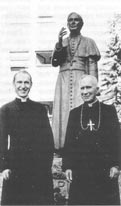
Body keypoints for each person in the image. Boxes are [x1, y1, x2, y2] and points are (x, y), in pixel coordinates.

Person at [63, 74, 121, 205]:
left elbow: (117, 140)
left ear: (97, 89)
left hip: (104, 171)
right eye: (82, 88)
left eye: (88, 88)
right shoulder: (74, 113)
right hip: (81, 171)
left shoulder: (109, 111)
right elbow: (69, 142)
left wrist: (116, 165)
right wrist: (67, 167)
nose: (85, 92)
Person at [0, 70, 54, 205]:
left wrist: (46, 166)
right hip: (15, 167)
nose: (23, 86)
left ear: (31, 85)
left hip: (38, 168)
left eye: (26, 82)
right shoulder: (5, 110)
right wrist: (4, 166)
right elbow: (1, 140)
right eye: (19, 82)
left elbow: (48, 140)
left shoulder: (40, 109)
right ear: (13, 84)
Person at [52, 12, 101, 149]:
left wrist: (94, 86)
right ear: (67, 24)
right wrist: (59, 44)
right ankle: (60, 146)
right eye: (70, 20)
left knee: (81, 111)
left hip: (81, 79)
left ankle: (81, 145)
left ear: (81, 24)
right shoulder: (62, 42)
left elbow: (92, 65)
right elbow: (55, 62)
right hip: (63, 81)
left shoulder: (89, 42)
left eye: (76, 20)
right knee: (62, 113)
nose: (73, 22)